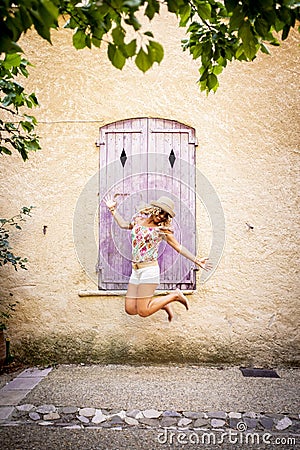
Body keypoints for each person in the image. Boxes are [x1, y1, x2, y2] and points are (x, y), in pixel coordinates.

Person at [104, 195, 212, 322]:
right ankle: (163, 304)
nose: (162, 216)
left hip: (149, 271)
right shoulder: (138, 220)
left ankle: (175, 295)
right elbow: (123, 224)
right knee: (130, 309)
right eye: (161, 212)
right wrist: (112, 209)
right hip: (136, 271)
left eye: (165, 216)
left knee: (143, 311)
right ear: (154, 209)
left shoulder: (162, 230)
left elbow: (178, 246)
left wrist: (197, 260)